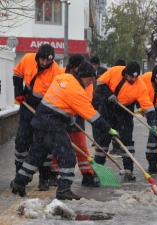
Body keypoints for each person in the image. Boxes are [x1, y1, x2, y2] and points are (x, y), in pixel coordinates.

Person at [11, 60, 118, 200]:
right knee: (67, 157)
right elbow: (92, 116)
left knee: (36, 155)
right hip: (52, 125)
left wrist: (68, 116)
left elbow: (60, 98)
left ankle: (19, 182)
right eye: (90, 79)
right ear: (83, 76)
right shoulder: (77, 91)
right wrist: (108, 129)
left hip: (39, 120)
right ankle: (64, 189)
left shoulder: (64, 77)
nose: (91, 83)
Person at [12, 44, 64, 191]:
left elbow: (58, 97)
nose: (45, 63)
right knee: (21, 142)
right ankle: (18, 176)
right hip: (27, 107)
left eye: (48, 61)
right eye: (42, 60)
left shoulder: (57, 73)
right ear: (38, 57)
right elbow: (17, 74)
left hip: (45, 111)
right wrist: (19, 92)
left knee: (44, 145)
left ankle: (44, 179)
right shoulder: (28, 59)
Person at [94, 62, 157, 181]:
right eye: (131, 76)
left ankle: (128, 169)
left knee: (127, 140)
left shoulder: (140, 85)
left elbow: (147, 105)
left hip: (125, 111)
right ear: (125, 74)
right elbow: (100, 83)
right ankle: (98, 169)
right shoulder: (114, 71)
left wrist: (152, 121)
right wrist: (109, 95)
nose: (133, 79)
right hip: (108, 108)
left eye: (136, 77)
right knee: (103, 140)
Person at [50, 54, 100, 187]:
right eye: (78, 67)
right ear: (72, 67)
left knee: (81, 147)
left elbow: (85, 101)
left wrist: (75, 115)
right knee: (58, 147)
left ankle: (87, 174)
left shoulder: (86, 80)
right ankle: (54, 173)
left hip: (77, 117)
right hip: (60, 116)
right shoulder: (61, 75)